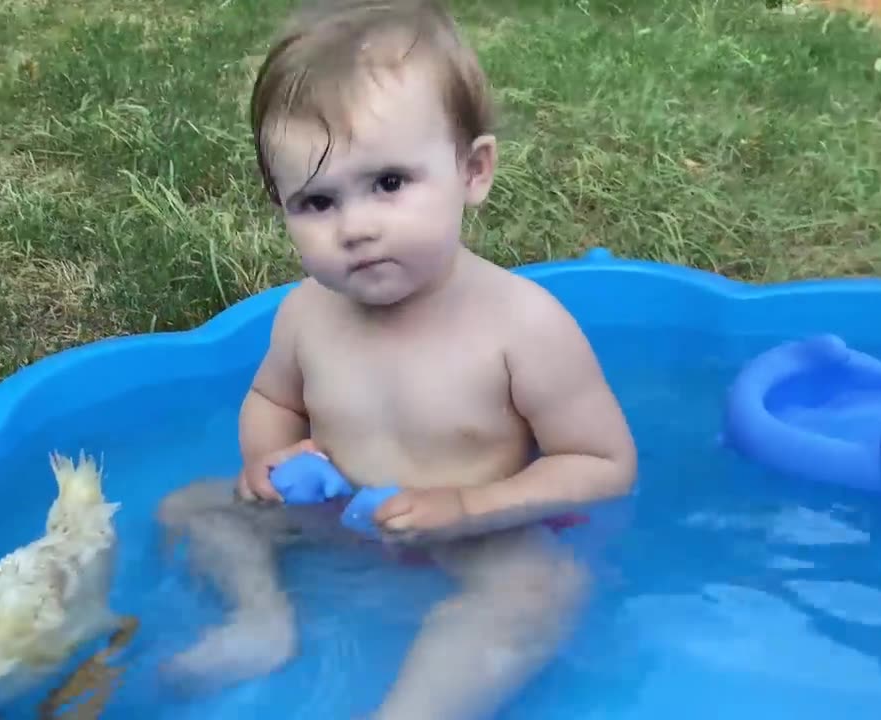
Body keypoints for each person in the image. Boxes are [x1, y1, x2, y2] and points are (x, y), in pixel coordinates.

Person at [156, 0, 638, 717]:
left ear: (472, 171)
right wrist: (267, 460)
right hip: (339, 510)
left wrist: (469, 506)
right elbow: (274, 403)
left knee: (541, 589)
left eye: (388, 183)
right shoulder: (305, 315)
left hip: (478, 533)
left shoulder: (524, 326)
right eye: (317, 202)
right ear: (279, 206)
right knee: (190, 509)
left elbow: (604, 465)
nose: (356, 227)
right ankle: (261, 624)